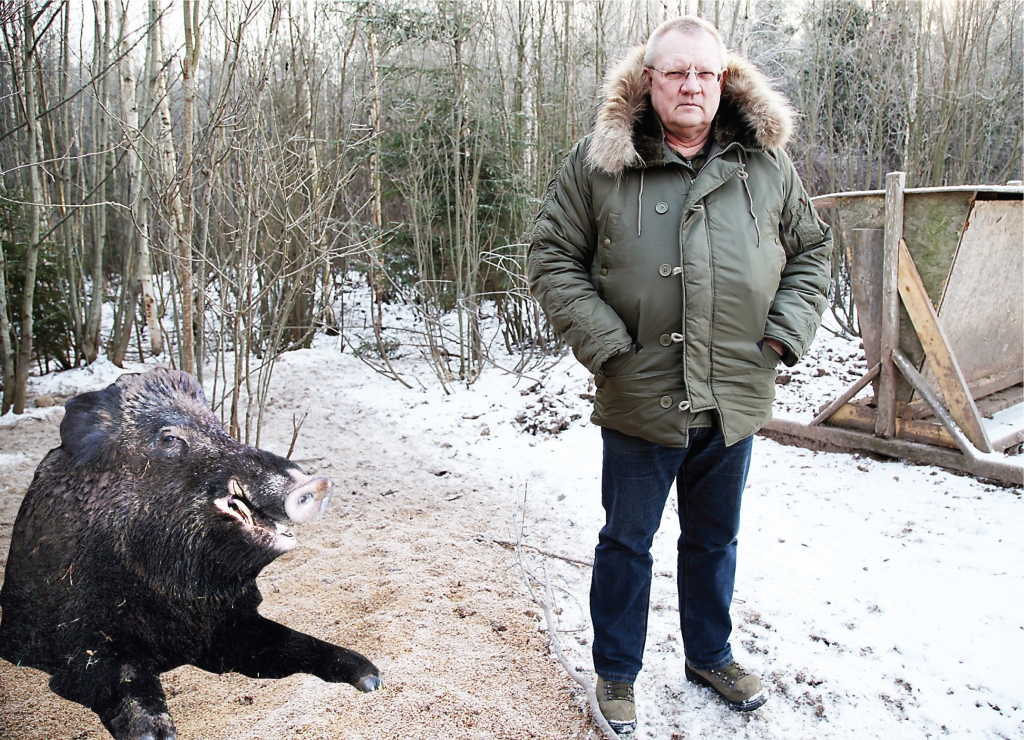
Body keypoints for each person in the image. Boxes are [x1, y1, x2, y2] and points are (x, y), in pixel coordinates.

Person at [526, 15, 833, 735]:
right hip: (640, 392)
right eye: (676, 73)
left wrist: (784, 335)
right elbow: (549, 256)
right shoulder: (600, 163)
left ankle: (711, 654)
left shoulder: (764, 165)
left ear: (723, 81)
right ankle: (617, 673)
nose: (691, 85)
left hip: (733, 393)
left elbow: (813, 253)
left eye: (705, 73)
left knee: (714, 539)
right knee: (627, 542)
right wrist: (607, 343)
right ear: (650, 80)